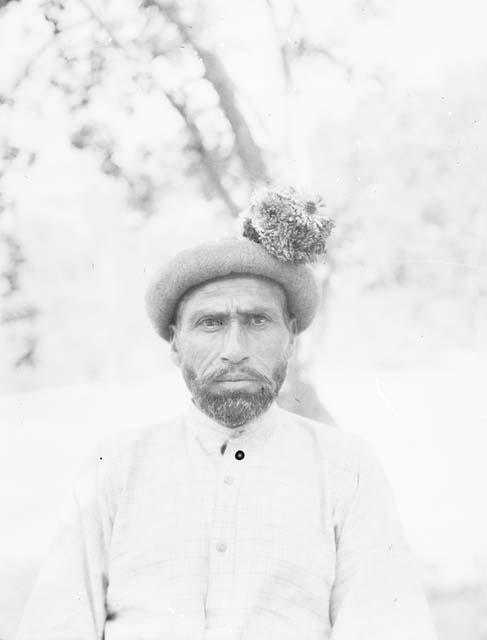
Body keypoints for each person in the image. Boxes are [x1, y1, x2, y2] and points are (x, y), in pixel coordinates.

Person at [16, 188, 437, 639]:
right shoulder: (114, 467)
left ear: (290, 337)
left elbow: (385, 623)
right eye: (210, 323)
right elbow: (56, 624)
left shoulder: (346, 469)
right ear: (176, 343)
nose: (234, 350)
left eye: (257, 321)